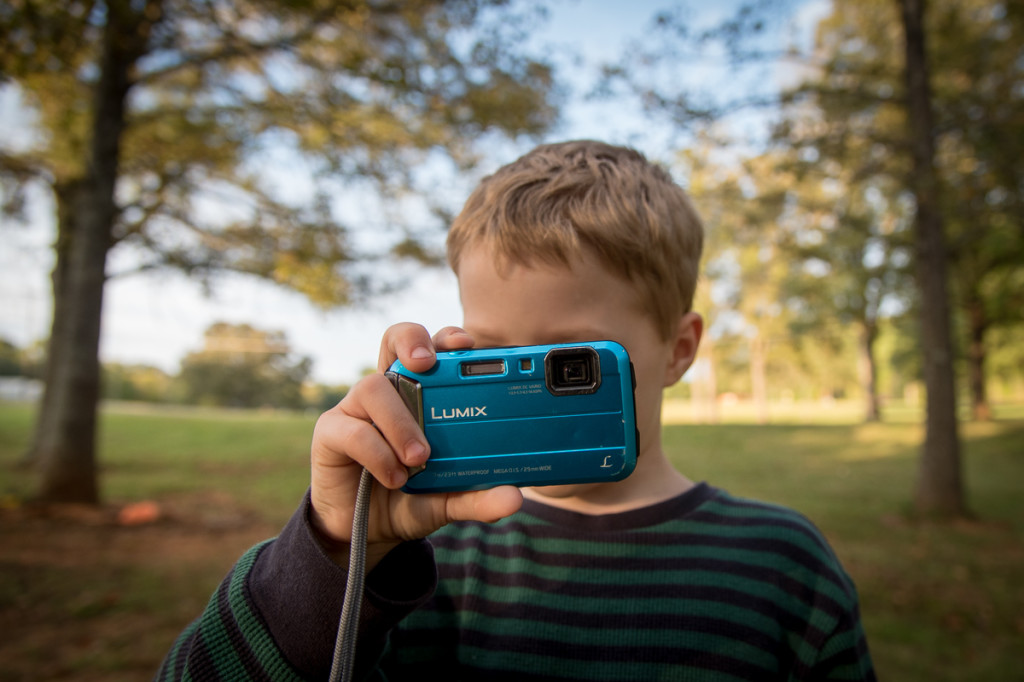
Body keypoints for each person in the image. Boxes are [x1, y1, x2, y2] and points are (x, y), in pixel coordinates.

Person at [155, 140, 876, 681]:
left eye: (566, 364)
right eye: (492, 356)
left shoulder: (785, 566)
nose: (520, 392)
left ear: (678, 350)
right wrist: (338, 550)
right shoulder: (418, 567)